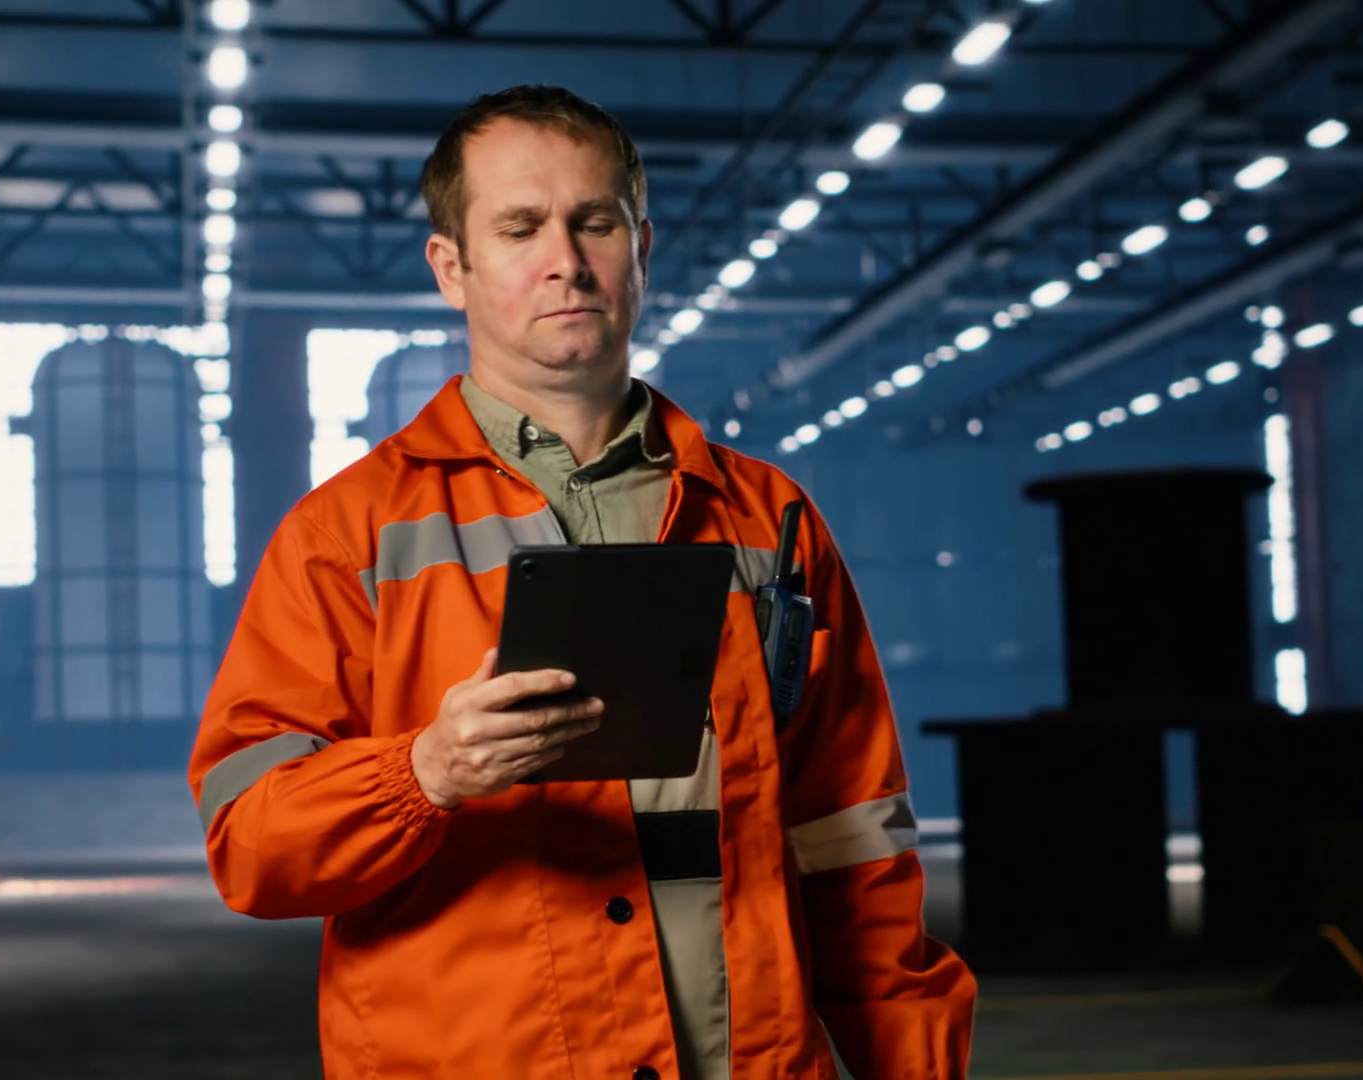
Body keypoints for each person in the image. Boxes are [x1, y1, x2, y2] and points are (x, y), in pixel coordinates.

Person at [189, 84, 976, 1080]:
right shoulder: (346, 536)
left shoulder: (767, 521)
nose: (565, 260)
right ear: (452, 268)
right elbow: (251, 846)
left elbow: (852, 837)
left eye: (594, 223)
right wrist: (423, 773)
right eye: (520, 229)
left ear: (639, 247)